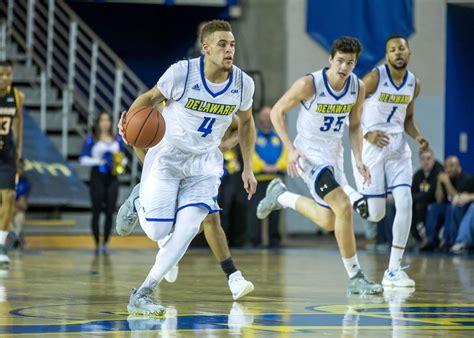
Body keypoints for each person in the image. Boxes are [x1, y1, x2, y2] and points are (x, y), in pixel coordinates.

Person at [115, 20, 257, 314]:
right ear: (206, 48)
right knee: (157, 232)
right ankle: (139, 197)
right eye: (222, 44)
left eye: (232, 45)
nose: (229, 50)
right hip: (168, 156)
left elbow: (247, 123)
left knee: (191, 226)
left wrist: (248, 167)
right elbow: (150, 98)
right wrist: (129, 120)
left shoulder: (243, 83)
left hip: (204, 163)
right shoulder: (183, 72)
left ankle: (143, 292)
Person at [257, 36, 382, 295]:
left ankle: (281, 196)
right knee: (343, 205)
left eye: (350, 63)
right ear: (330, 59)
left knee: (328, 220)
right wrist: (290, 149)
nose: (344, 68)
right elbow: (278, 111)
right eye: (340, 61)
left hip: (334, 154)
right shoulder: (309, 84)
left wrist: (358, 158)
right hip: (308, 155)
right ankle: (355, 276)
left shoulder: (357, 87)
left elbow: (356, 125)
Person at [351, 35, 429, 287]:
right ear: (386, 55)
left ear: (409, 52)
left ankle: (393, 269)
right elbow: (352, 107)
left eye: (401, 49)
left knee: (405, 201)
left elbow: (408, 118)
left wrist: (417, 137)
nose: (397, 53)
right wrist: (367, 133)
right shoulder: (375, 77)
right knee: (375, 215)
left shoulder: (413, 84)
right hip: (372, 147)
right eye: (392, 49)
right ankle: (350, 195)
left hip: (398, 149)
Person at [80, 112, 127, 255]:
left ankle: (106, 242)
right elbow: (83, 159)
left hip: (112, 177)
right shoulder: (91, 140)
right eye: (102, 120)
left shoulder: (117, 139)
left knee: (110, 211)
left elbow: (124, 157)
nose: (105, 123)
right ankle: (96, 243)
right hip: (97, 177)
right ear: (98, 122)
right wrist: (98, 161)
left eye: (107, 120)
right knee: (96, 210)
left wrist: (119, 163)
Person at [247, 105, 287, 248]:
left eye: (269, 117)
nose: (266, 120)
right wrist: (263, 167)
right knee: (255, 211)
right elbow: (250, 154)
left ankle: (274, 241)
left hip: (276, 181)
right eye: (264, 117)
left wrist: (278, 166)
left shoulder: (279, 137)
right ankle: (254, 241)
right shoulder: (254, 136)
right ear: (259, 118)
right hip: (258, 180)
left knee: (275, 213)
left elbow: (286, 154)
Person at [0, 60, 24, 266]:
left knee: (8, 198)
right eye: (1, 75)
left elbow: (18, 125)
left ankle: (1, 245)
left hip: (6, 155)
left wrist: (18, 153)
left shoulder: (16, 97)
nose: (5, 78)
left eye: (8, 74)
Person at [423, 156, 474, 251]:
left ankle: (450, 241)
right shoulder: (446, 177)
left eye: (451, 166)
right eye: (446, 166)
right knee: (434, 207)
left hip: (463, 208)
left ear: (458, 166)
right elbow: (439, 199)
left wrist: (447, 183)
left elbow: (457, 198)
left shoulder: (466, 178)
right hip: (449, 206)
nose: (448, 169)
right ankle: (431, 241)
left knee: (452, 208)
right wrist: (439, 182)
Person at [411, 149, 443, 244]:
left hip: (437, 201)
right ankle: (415, 237)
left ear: (433, 159)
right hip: (420, 201)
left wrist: (417, 197)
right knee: (408, 205)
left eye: (428, 159)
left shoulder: (439, 171)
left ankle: (427, 238)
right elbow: (412, 193)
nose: (426, 162)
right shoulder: (418, 174)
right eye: (423, 159)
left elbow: (431, 193)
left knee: (420, 205)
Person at [10, 159, 30, 249]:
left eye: (22, 167)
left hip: (16, 208)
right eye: (19, 167)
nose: (21, 169)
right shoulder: (6, 179)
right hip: (6, 207)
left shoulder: (25, 182)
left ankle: (16, 237)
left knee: (20, 216)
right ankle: (12, 238)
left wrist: (16, 206)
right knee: (5, 216)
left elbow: (23, 203)